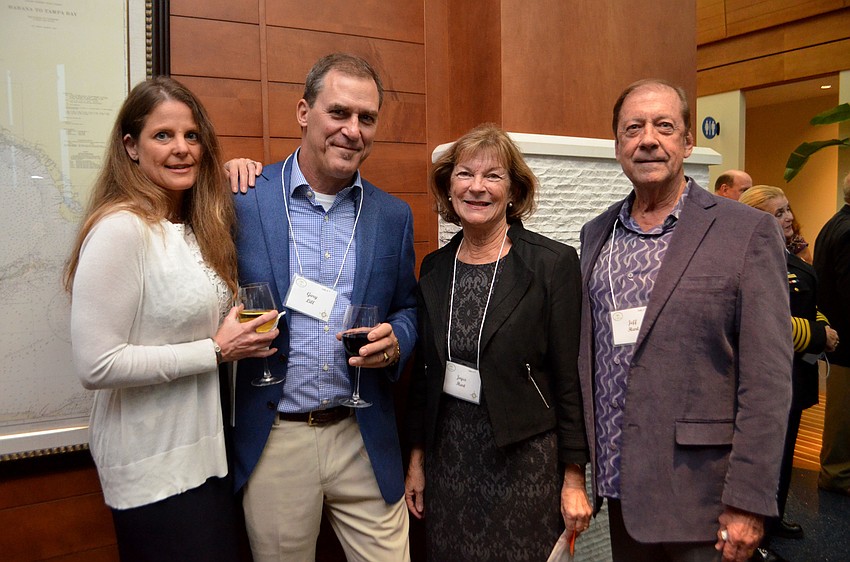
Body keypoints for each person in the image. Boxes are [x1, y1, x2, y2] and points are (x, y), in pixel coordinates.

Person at [65, 77, 279, 561]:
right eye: (163, 136)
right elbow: (96, 365)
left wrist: (233, 171)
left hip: (207, 458)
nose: (181, 148)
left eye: (192, 136)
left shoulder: (192, 228)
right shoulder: (121, 230)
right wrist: (217, 351)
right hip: (153, 469)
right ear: (130, 147)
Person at [578, 79, 793, 562]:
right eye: (633, 128)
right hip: (621, 487)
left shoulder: (747, 232)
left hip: (706, 500)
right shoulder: (596, 235)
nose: (648, 139)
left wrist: (748, 501)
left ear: (687, 141)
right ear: (617, 144)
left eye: (664, 126)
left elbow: (768, 382)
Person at [228, 53, 418, 562]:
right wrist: (216, 174)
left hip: (363, 434)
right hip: (277, 436)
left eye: (366, 118)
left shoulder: (392, 215)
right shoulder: (244, 199)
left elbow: (407, 307)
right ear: (304, 112)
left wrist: (399, 337)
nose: (352, 130)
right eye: (339, 113)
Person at [403, 123, 592, 561]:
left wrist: (574, 479)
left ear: (513, 190)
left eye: (493, 176)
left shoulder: (551, 265)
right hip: (449, 463)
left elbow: (569, 381)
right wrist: (416, 461)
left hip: (524, 465)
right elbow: (424, 378)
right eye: (465, 174)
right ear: (449, 189)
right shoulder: (434, 268)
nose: (477, 187)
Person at [738, 185, 838, 562]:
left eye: (787, 210)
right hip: (770, 374)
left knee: (785, 454)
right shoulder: (754, 257)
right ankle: (757, 530)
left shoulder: (787, 255)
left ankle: (774, 517)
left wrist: (823, 325)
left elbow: (810, 302)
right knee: (766, 457)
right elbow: (768, 322)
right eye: (778, 213)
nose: (788, 219)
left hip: (797, 372)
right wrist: (816, 335)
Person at [813, 171, 850, 497]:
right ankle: (837, 477)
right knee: (842, 416)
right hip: (847, 340)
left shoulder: (836, 221)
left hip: (839, 335)